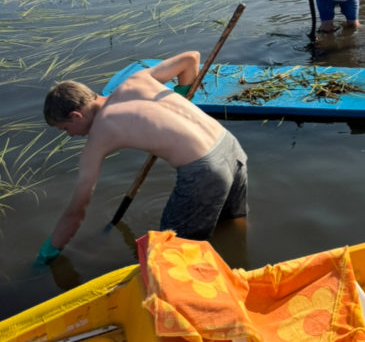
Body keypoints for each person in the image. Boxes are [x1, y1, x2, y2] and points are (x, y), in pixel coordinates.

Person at [35, 51, 247, 265]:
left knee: (169, 257)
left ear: (76, 116)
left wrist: (50, 251)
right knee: (232, 225)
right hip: (230, 145)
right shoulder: (137, 80)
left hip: (205, 172)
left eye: (65, 129)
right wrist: (182, 92)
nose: (70, 135)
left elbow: (76, 211)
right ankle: (243, 266)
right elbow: (191, 58)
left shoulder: (100, 134)